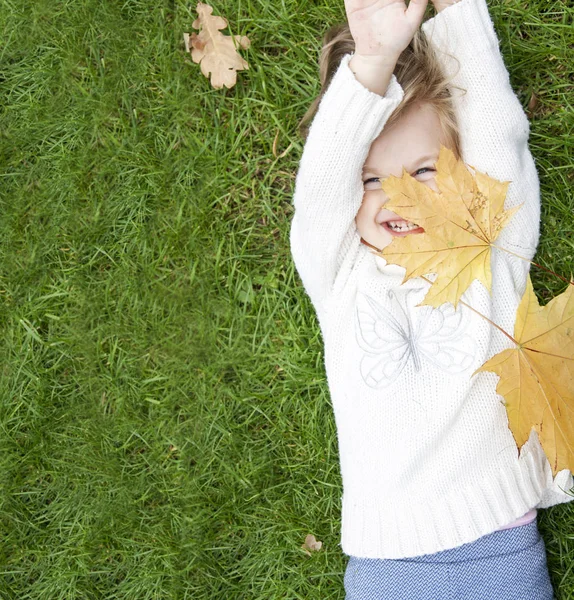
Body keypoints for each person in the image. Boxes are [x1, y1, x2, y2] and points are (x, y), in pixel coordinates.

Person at [289, 0, 574, 597]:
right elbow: (318, 190)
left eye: (423, 172)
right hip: (385, 564)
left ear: (465, 172)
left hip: (498, 546)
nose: (396, 197)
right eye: (371, 179)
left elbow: (495, 127)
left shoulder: (490, 243)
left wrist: (457, 11)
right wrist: (372, 61)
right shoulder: (341, 272)